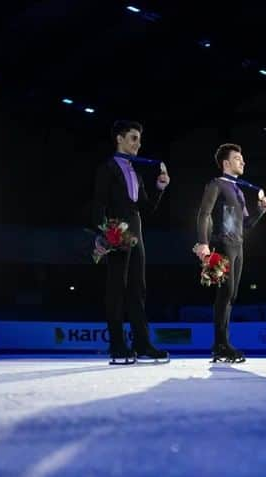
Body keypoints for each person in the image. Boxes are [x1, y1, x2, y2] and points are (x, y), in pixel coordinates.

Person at [93, 120, 170, 364]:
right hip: (117, 229)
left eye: (139, 138)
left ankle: (142, 343)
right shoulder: (108, 167)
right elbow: (99, 203)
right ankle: (117, 345)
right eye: (133, 138)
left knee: (138, 289)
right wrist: (103, 232)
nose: (138, 143)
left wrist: (160, 187)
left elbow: (145, 208)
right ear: (119, 139)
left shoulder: (135, 171)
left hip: (137, 230)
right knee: (116, 288)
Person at [193, 143, 266, 363]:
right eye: (238, 158)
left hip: (239, 245)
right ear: (226, 163)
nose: (243, 162)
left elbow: (246, 224)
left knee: (232, 294)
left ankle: (221, 343)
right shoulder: (216, 184)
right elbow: (204, 214)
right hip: (223, 243)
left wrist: (261, 210)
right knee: (225, 293)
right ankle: (220, 344)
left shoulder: (239, 191)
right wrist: (203, 242)